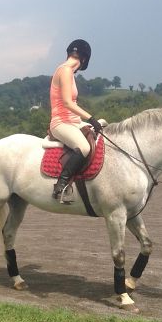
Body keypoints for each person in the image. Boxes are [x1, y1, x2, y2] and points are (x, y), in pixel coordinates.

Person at [49, 39, 104, 201]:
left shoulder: (69, 73)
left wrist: (92, 122)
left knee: (102, 129)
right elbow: (67, 102)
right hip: (61, 122)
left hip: (73, 122)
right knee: (84, 148)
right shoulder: (65, 71)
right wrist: (90, 118)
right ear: (85, 59)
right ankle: (62, 183)